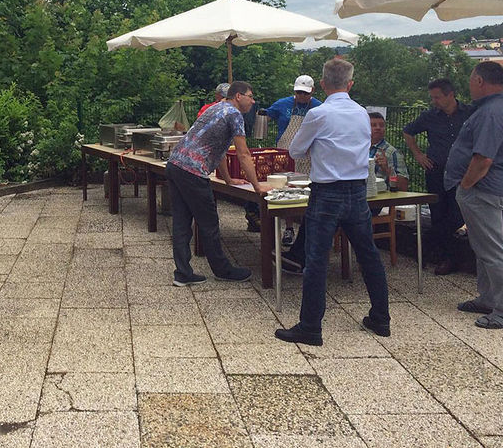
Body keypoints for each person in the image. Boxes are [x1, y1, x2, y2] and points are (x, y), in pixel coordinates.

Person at [275, 58, 391, 346]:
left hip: (326, 193)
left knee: (316, 259)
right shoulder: (362, 114)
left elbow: (296, 151)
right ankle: (381, 318)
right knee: (369, 254)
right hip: (357, 191)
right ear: (350, 84)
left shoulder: (319, 114)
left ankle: (311, 326)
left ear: (323, 84)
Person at [166, 81, 269, 286]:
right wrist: (258, 186)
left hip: (175, 164)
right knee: (209, 222)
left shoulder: (215, 108)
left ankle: (183, 273)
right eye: (250, 95)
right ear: (238, 96)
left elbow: (218, 148)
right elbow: (243, 154)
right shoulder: (235, 115)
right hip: (193, 171)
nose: (253, 100)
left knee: (181, 221)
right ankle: (223, 270)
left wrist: (228, 179)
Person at [445, 61, 503, 329]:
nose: (469, 84)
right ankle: (489, 298)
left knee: (492, 249)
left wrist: (466, 185)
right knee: (483, 247)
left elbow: (483, 158)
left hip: (483, 189)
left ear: (479, 81)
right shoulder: (499, 108)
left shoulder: (492, 113)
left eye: (470, 79)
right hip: (485, 189)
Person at [402, 79, 472, 274]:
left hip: (461, 172)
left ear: (450, 95)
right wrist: (418, 154)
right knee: (438, 214)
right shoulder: (429, 116)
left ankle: (429, 244)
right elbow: (408, 132)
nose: (434, 101)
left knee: (457, 214)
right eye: (432, 97)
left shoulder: (469, 113)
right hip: (436, 171)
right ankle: (445, 258)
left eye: (437, 97)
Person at [265, 75, 322, 245]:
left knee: (308, 192)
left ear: (312, 91)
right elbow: (265, 116)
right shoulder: (282, 104)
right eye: (298, 92)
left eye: (305, 93)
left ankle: (307, 230)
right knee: (286, 191)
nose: (301, 96)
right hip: (285, 153)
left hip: (308, 156)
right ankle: (288, 228)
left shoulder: (319, 107)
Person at [368, 112, 409, 192]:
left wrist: (386, 169)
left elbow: (404, 187)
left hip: (382, 199)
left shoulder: (392, 153)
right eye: (373, 125)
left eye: (382, 125)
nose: (378, 128)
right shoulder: (357, 149)